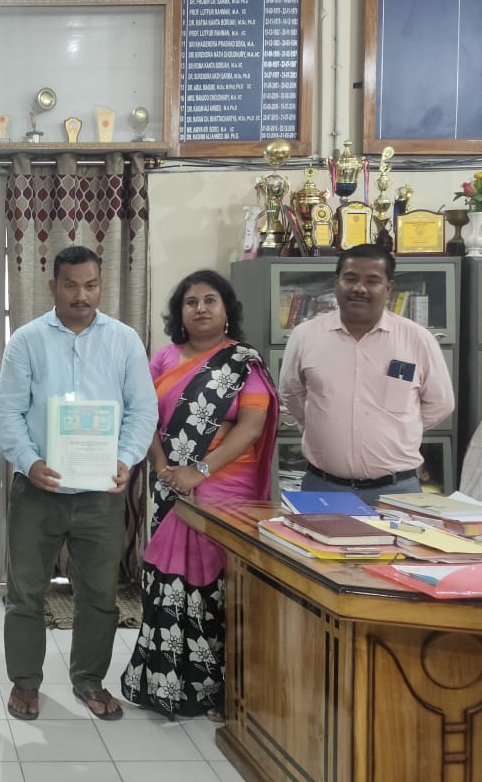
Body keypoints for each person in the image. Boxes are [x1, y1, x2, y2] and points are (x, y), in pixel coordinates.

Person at [0, 245, 157, 723]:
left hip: (100, 495)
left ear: (101, 286)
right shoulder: (27, 341)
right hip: (37, 491)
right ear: (53, 286)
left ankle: (89, 679)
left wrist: (125, 459)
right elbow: (7, 412)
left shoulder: (124, 340)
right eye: (70, 285)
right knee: (26, 594)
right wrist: (29, 462)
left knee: (100, 596)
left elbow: (143, 409)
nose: (81, 296)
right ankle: (26, 682)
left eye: (90, 285)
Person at [119, 270, 279, 721]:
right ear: (180, 313)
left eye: (210, 300)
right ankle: (166, 684)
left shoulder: (242, 362)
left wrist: (200, 470)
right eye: (191, 302)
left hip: (226, 491)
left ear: (227, 310)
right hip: (171, 483)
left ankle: (223, 689)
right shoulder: (164, 358)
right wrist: (161, 466)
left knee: (221, 589)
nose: (201, 308)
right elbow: (144, 416)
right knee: (165, 579)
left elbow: (251, 427)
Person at [281, 244, 455, 506]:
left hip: (397, 490)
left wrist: (399, 429)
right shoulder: (305, 336)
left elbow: (441, 403)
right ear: (336, 283)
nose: (359, 288)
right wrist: (320, 424)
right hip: (323, 486)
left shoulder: (417, 339)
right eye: (350, 278)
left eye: (372, 281)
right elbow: (291, 392)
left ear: (388, 288)